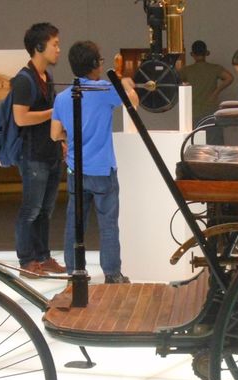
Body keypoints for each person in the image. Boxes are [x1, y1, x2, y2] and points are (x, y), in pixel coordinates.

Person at [51, 40, 139, 284]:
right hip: (103, 170)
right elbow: (133, 102)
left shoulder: (63, 97)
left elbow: (54, 134)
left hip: (75, 169)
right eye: (100, 61)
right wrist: (125, 83)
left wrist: (71, 136)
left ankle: (74, 272)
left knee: (74, 223)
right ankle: (112, 274)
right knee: (108, 224)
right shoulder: (104, 90)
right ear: (93, 65)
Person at [13, 22, 65, 277]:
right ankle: (27, 261)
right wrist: (53, 112)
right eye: (55, 44)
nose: (58, 49)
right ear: (39, 47)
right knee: (31, 210)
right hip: (33, 155)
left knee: (45, 210)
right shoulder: (24, 80)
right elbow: (21, 118)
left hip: (50, 152)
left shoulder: (47, 77)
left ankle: (43, 257)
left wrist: (61, 141)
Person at [179, 40, 233, 145]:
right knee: (215, 147)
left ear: (192, 54)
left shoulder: (186, 70)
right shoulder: (215, 68)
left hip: (193, 113)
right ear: (207, 53)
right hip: (211, 113)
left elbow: (175, 82)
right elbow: (229, 78)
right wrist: (216, 93)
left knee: (195, 145)